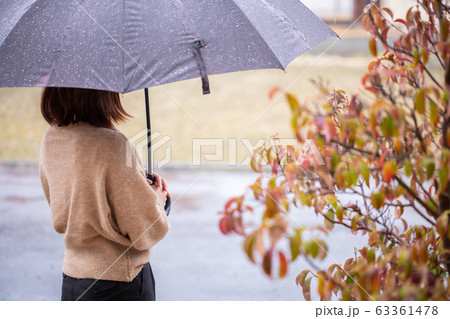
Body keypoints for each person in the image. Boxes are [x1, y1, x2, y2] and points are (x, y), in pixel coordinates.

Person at [39, 87, 170, 301]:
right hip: (119, 284)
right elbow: (145, 232)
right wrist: (156, 198)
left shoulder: (52, 136)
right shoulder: (113, 144)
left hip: (72, 282)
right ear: (102, 91)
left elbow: (65, 203)